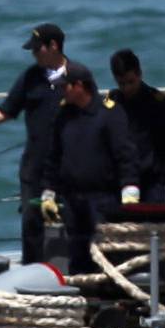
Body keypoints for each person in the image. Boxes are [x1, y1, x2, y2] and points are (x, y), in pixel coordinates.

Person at [0, 23, 70, 264]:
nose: (34, 55)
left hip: (68, 166)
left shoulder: (77, 77)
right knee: (32, 222)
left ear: (53, 47)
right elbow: (7, 110)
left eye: (38, 50)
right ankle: (32, 274)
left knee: (69, 222)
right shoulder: (30, 77)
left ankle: (71, 274)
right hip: (35, 166)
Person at [40, 62, 141, 273]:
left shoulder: (109, 114)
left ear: (79, 86)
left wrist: (130, 190)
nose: (60, 91)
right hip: (72, 199)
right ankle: (84, 299)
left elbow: (126, 155)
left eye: (64, 86)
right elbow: (54, 156)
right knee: (77, 257)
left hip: (103, 200)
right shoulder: (63, 115)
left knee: (107, 257)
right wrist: (49, 192)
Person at [107, 50, 165, 205]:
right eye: (121, 83)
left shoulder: (158, 103)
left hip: (152, 182)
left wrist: (164, 175)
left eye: (131, 82)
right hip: (119, 183)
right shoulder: (111, 104)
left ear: (139, 74)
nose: (127, 88)